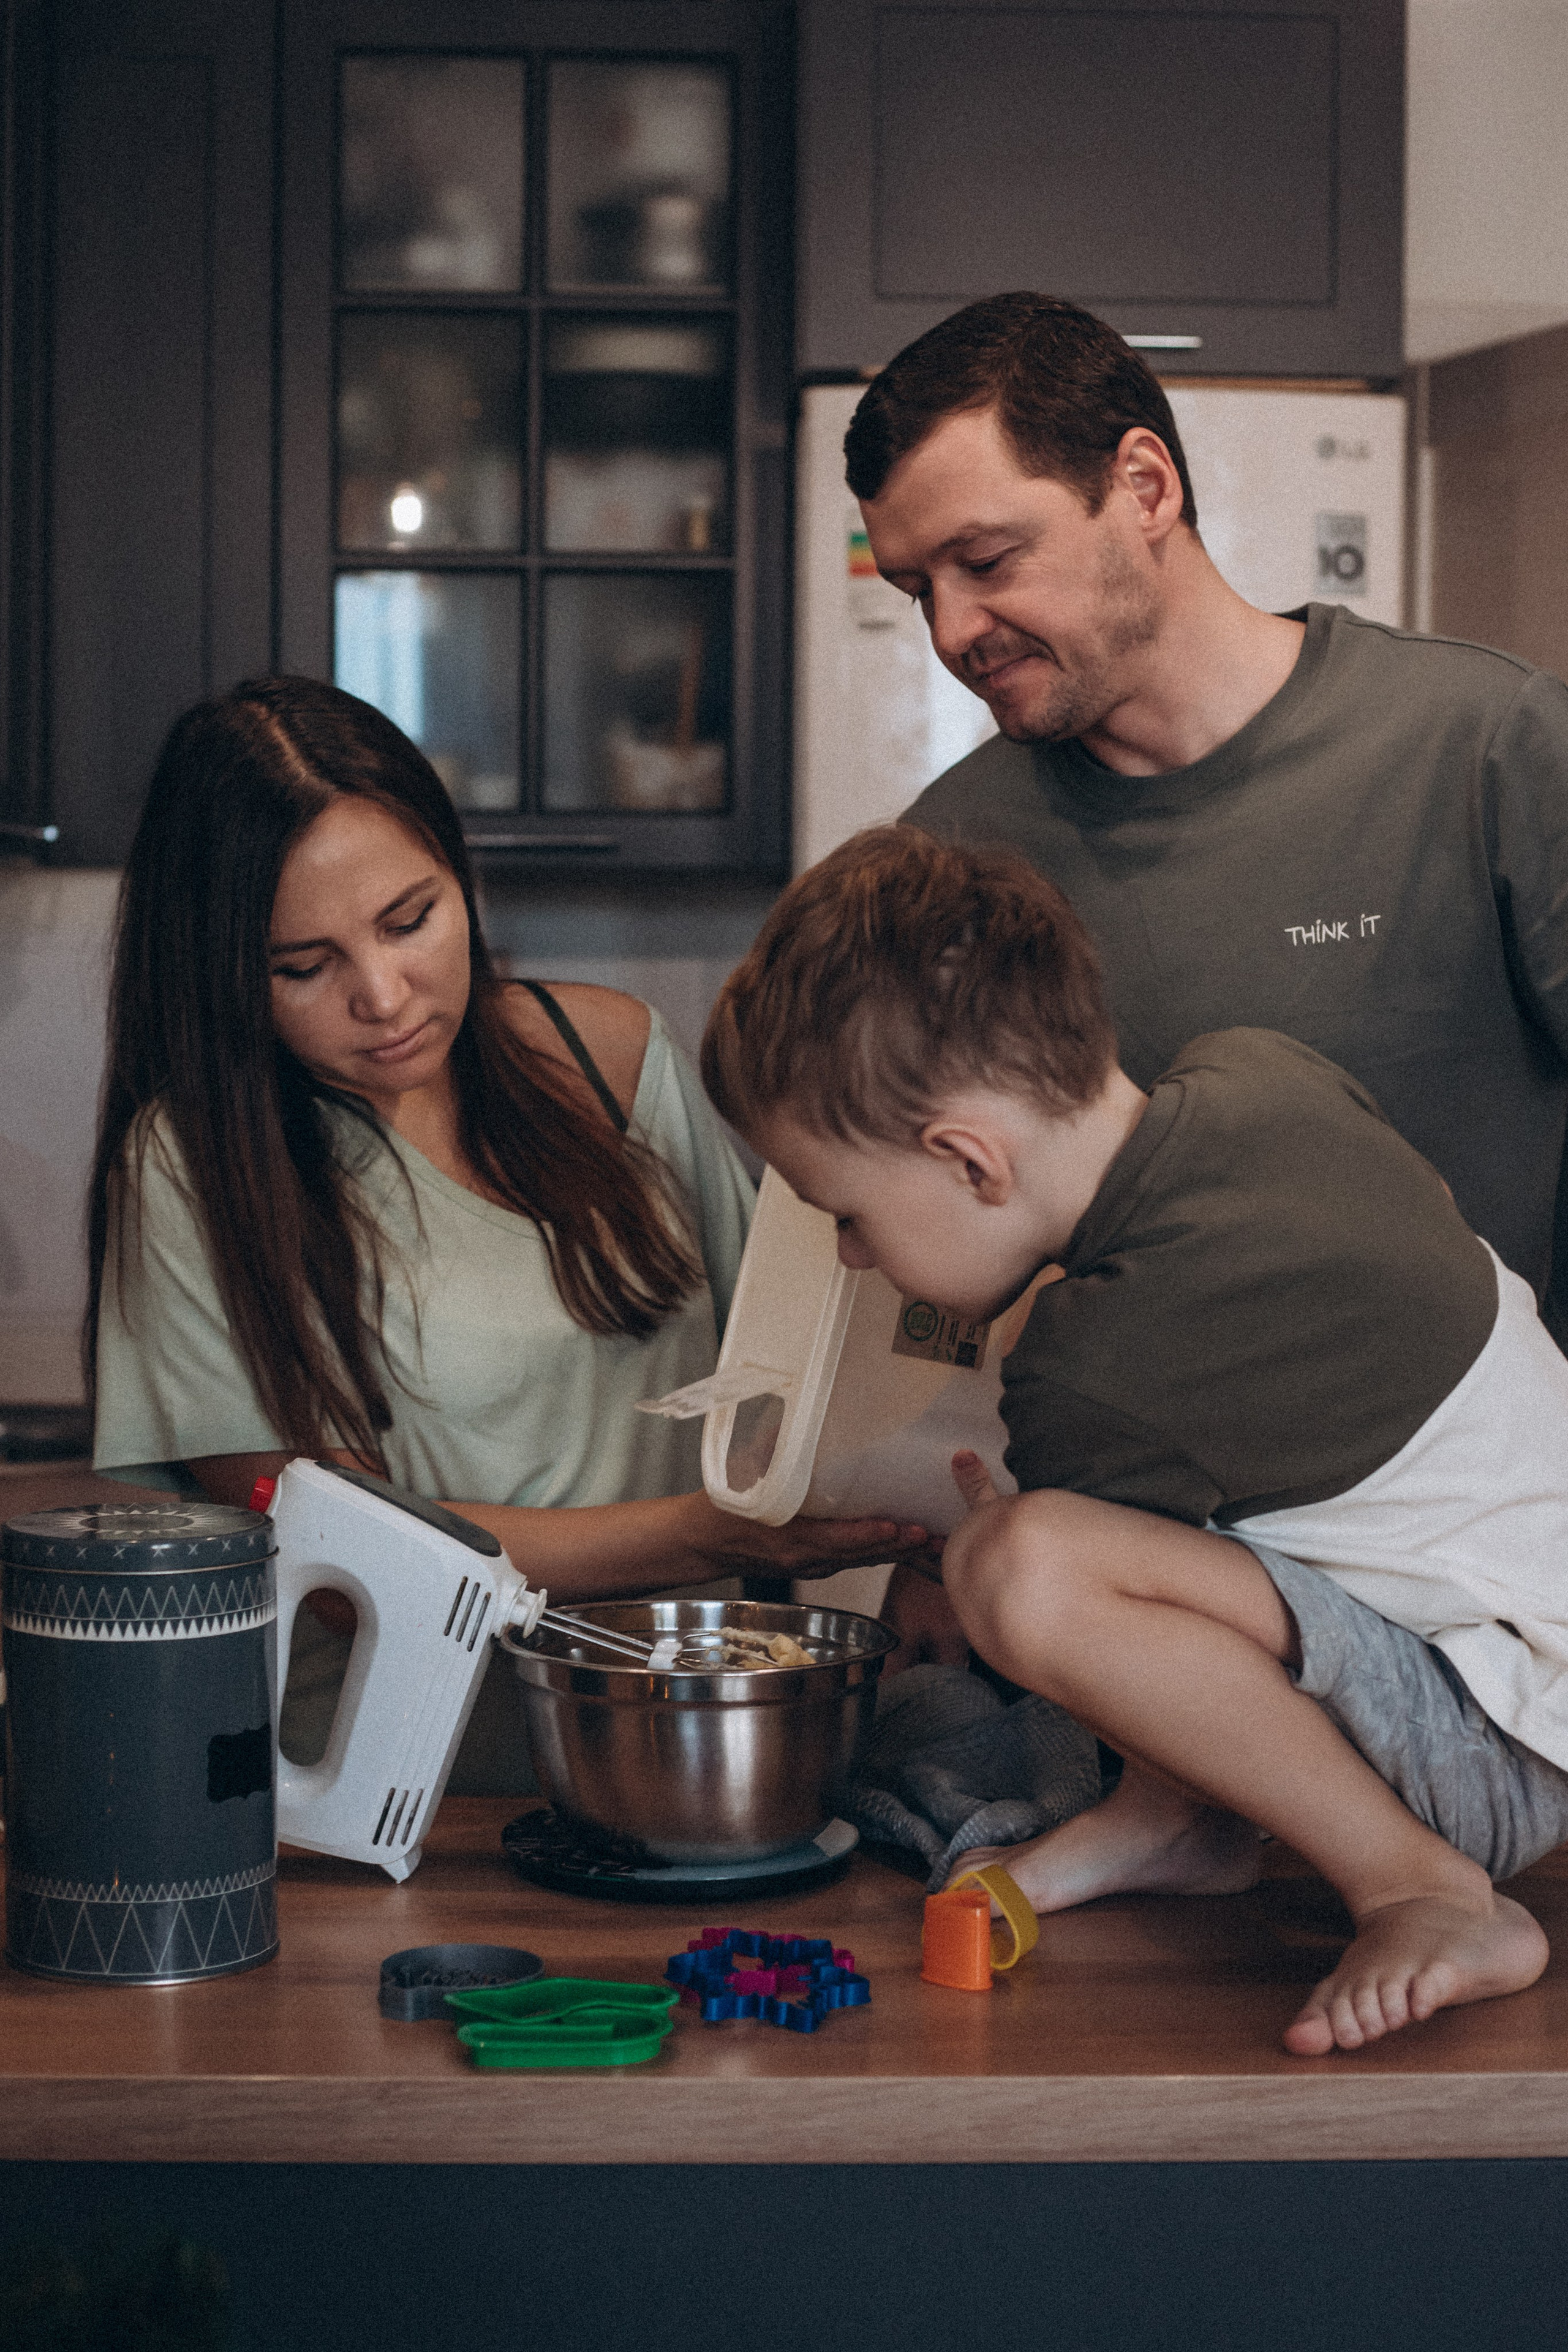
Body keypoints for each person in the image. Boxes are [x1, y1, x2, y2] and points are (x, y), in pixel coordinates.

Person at [701, 826, 1568, 2055]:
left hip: (1491, 1748)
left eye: (848, 1215)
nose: (851, 1255)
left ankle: (1415, 1887)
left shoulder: (1096, 1363)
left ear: (965, 1159)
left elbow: (1082, 1601)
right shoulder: (1258, 1075)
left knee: (1017, 1567)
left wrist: (987, 1514)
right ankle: (1191, 1827)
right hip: (1528, 1661)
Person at [845, 287, 1568, 1657]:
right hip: (1158, 1631)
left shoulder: (1483, 751)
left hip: (1483, 1595)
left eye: (985, 559)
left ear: (1142, 485)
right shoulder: (946, 860)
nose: (949, 631)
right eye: (913, 587)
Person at [88, 677, 924, 1788]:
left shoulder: (610, 1059)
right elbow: (337, 1564)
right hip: (404, 1786)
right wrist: (712, 1535)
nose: (384, 996)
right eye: (304, 967)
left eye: (410, 920)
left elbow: (811, 1349)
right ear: (221, 971)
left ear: (460, 874)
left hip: (690, 1737)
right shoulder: (194, 1169)